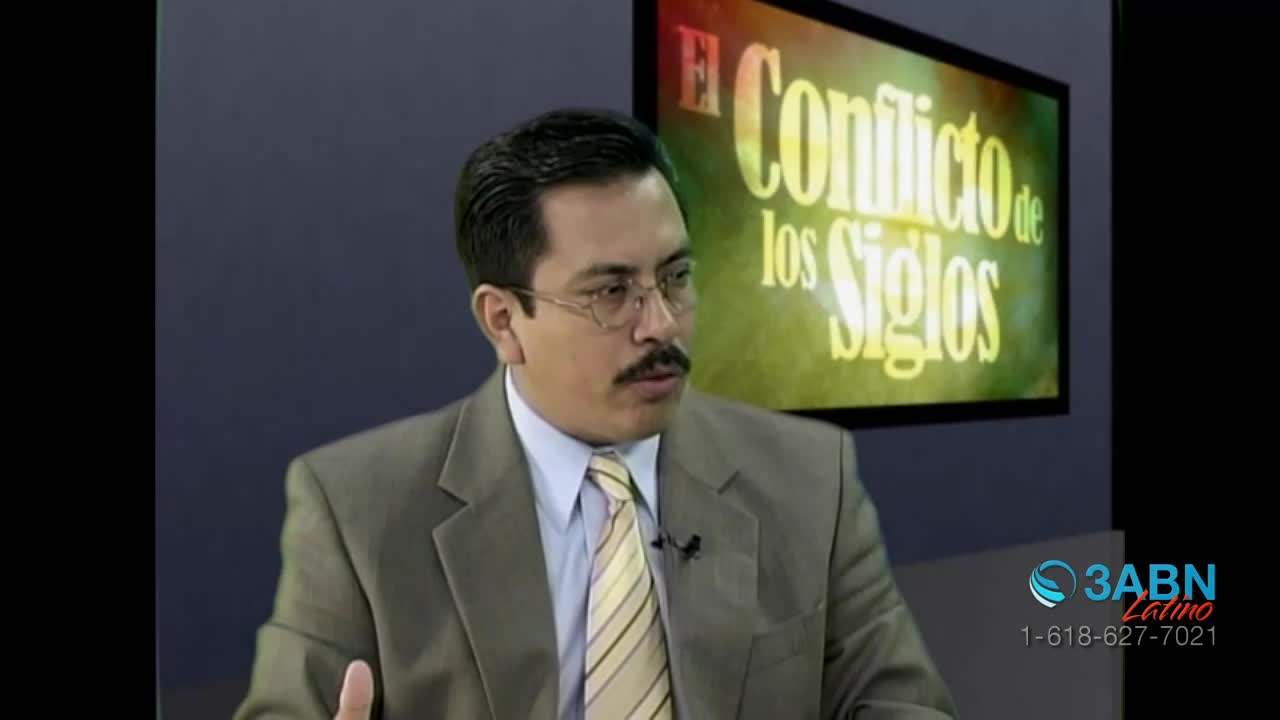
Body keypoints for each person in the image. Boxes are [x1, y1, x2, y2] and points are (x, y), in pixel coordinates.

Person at [234, 108, 957, 719]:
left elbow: (900, 704)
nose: (661, 324)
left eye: (675, 277)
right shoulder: (358, 514)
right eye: (611, 294)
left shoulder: (810, 478)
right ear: (503, 321)